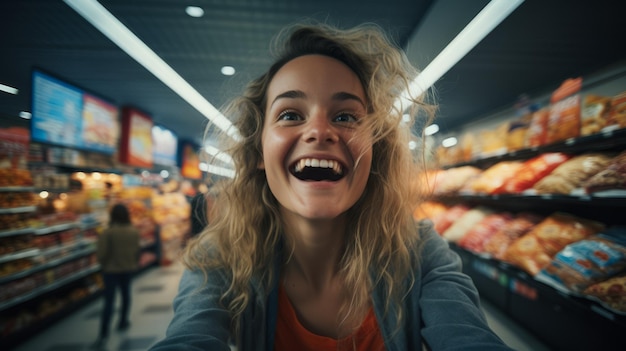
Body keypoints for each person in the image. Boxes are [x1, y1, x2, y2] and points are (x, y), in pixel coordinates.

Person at [150, 22, 513, 351]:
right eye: (290, 115)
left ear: (375, 150)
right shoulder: (221, 258)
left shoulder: (418, 251)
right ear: (259, 149)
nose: (320, 131)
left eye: (345, 116)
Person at [94, 203, 141, 349]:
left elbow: (101, 254)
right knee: (126, 294)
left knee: (109, 301)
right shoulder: (133, 231)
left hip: (111, 271)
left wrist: (104, 263)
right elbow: (137, 251)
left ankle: (103, 333)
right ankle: (123, 321)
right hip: (127, 268)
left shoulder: (108, 233)